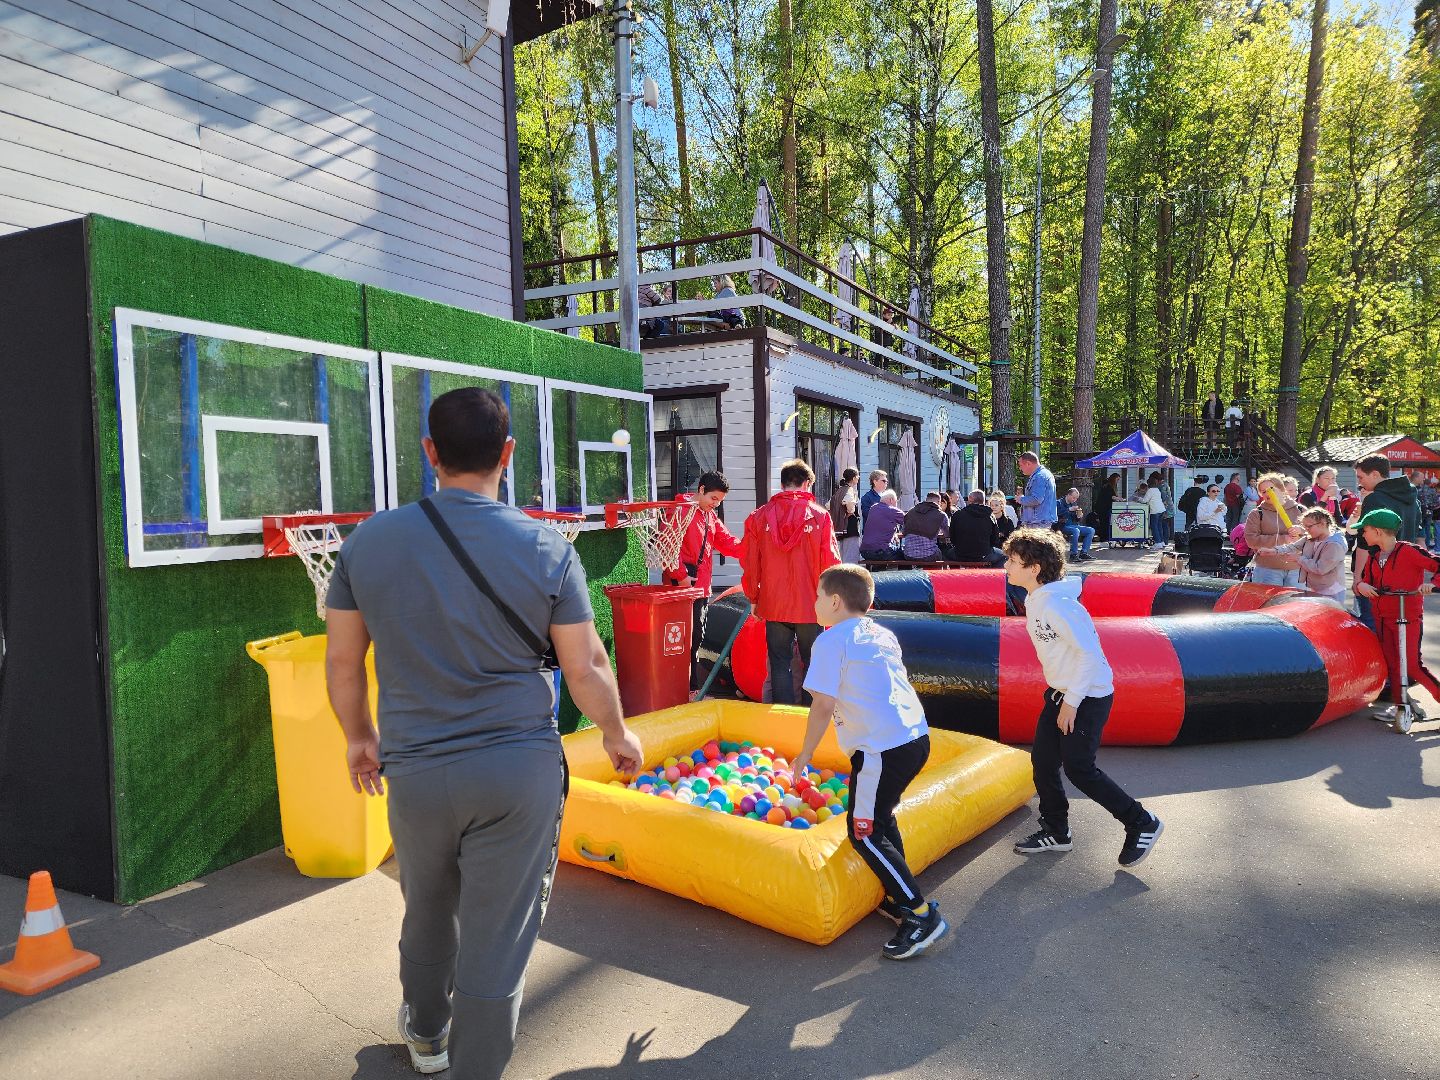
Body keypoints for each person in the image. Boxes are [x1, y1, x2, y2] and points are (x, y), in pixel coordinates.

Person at [324, 387, 644, 1080]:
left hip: (415, 769)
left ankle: (427, 1032)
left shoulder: (368, 542)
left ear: (429, 452)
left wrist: (359, 738)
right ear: (508, 453)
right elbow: (586, 666)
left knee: (427, 908)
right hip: (517, 772)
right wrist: (617, 734)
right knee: (498, 936)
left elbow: (344, 663)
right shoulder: (546, 547)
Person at [791, 565, 949, 960]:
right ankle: (899, 896)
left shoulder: (830, 641)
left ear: (834, 601)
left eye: (817, 596)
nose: (814, 603)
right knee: (880, 817)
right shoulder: (880, 633)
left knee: (863, 831)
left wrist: (805, 753)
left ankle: (920, 914)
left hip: (881, 748)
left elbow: (823, 704)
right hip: (914, 738)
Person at [1004, 528, 1164, 867]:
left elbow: (1089, 654)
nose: (1006, 566)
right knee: (1043, 762)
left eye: (1013, 561)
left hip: (1086, 696)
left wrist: (1072, 702)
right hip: (1061, 693)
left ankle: (1141, 822)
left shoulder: (1060, 606)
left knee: (1079, 768)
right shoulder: (1037, 599)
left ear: (1034, 568)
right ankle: (1057, 831)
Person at [741, 458, 841, 706]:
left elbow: (750, 562)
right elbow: (831, 563)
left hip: (774, 602)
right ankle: (809, 714)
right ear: (806, 483)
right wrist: (833, 601)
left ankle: (782, 715)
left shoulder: (760, 516)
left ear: (783, 483)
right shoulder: (820, 516)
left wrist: (753, 597)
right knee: (814, 663)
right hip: (812, 603)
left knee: (779, 663)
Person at [662, 471, 746, 689]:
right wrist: (680, 576)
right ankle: (683, 686)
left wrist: (752, 547)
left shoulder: (708, 515)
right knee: (681, 639)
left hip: (699, 586)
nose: (715, 504)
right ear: (701, 490)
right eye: (713, 498)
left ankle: (690, 686)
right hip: (683, 586)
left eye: (719, 500)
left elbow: (726, 541)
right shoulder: (681, 510)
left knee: (695, 636)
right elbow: (668, 546)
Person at [1353, 507, 1440, 716]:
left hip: (1407, 617)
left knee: (1412, 665)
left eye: (1365, 530)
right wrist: (1361, 586)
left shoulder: (1409, 551)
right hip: (1382, 617)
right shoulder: (1374, 556)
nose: (1362, 534)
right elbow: (1365, 581)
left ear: (1378, 531)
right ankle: (1402, 707)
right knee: (1392, 663)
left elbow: (1437, 565)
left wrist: (1433, 584)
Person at [1352, 454, 1421, 630]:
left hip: (1375, 575)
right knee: (1398, 629)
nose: (1360, 483)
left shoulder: (1374, 499)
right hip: (1404, 574)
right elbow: (1419, 537)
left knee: (1373, 627)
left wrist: (1358, 578)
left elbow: (1364, 542)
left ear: (1375, 474)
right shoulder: (1412, 497)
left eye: (1361, 477)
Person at [1272, 507, 1348, 605]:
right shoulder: (1311, 538)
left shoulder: (1334, 545)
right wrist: (1273, 551)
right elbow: (1293, 546)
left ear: (1323, 523)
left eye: (1309, 526)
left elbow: (1320, 569)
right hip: (1316, 588)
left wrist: (1298, 558)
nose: (1306, 530)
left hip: (1331, 591)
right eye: (1305, 527)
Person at [1243, 472, 1305, 587]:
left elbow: (1316, 535)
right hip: (1268, 569)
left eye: (1271, 489)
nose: (1268, 493)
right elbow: (1251, 540)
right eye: (1263, 491)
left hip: (1297, 569)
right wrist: (1283, 539)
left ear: (1281, 489)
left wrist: (1301, 531)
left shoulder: (1300, 510)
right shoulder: (1257, 513)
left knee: (1297, 599)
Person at [951, 489, 1005, 566]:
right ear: (983, 501)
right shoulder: (990, 516)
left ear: (970, 500)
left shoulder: (958, 515)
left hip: (960, 554)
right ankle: (991, 573)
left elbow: (952, 538)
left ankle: (955, 573)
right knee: (1003, 556)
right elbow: (995, 540)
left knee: (946, 554)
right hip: (984, 554)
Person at [900, 491, 950, 562]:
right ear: (938, 502)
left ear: (926, 500)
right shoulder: (941, 515)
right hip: (929, 555)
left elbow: (903, 531)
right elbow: (947, 534)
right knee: (941, 553)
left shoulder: (911, 512)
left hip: (908, 554)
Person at [860, 489, 905, 561]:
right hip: (881, 551)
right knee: (905, 554)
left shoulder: (873, 508)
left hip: (865, 551)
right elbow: (909, 521)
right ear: (891, 500)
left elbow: (880, 527)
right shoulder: (892, 510)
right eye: (896, 501)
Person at [1015, 451, 1057, 529]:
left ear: (1028, 463)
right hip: (1041, 522)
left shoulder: (1039, 477)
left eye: (1021, 465)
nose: (1020, 468)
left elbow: (1036, 499)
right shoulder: (1044, 474)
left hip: (1037, 524)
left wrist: (1021, 499)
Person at [829, 467, 862, 563]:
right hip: (850, 525)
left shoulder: (839, 490)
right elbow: (848, 501)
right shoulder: (849, 490)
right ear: (854, 478)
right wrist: (850, 511)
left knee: (842, 555)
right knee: (851, 555)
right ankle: (849, 573)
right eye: (857, 476)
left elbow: (828, 505)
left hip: (840, 526)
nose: (858, 478)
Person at [1060, 488, 1096, 561]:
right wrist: (1069, 509)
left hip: (1073, 525)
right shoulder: (1059, 502)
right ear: (1068, 495)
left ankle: (1084, 553)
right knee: (1076, 531)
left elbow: (1076, 519)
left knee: (1091, 530)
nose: (1075, 500)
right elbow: (1057, 513)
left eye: (1076, 498)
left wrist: (1078, 516)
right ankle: (1073, 554)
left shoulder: (1073, 504)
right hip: (1062, 525)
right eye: (1073, 498)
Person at [1147, 471, 1175, 547]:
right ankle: (1164, 542)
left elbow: (1163, 498)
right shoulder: (1165, 484)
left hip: (1165, 508)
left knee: (1163, 525)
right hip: (1168, 508)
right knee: (1164, 525)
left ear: (1156, 479)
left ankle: (1163, 542)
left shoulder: (1161, 486)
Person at [1138, 480, 1166, 548]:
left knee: (1154, 527)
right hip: (1161, 510)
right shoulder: (1157, 490)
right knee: (1159, 526)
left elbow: (1144, 500)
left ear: (1149, 484)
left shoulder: (1150, 490)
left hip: (1155, 511)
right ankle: (1162, 542)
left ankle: (1157, 543)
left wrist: (1139, 499)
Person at [1093, 473, 1117, 541]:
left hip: (1103, 507)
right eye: (1117, 479)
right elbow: (1111, 496)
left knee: (1104, 523)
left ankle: (1104, 537)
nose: (1117, 481)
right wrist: (1119, 499)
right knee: (1105, 523)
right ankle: (1104, 537)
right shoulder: (1108, 486)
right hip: (1104, 507)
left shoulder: (1107, 486)